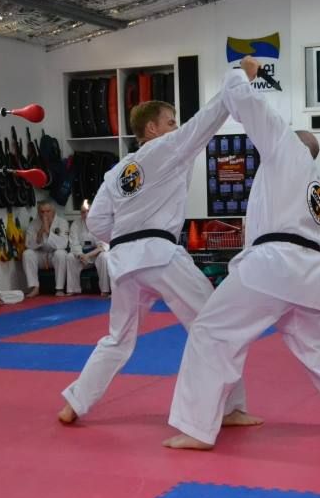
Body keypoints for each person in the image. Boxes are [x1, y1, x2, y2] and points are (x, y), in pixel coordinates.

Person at [163, 58, 320, 450]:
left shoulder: (285, 146)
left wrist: (242, 74)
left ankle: (197, 428)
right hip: (309, 274)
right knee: (318, 349)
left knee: (209, 332)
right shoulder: (315, 187)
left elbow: (245, 102)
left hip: (273, 266)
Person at [57, 86, 251, 427]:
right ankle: (230, 408)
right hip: (160, 255)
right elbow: (204, 123)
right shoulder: (164, 149)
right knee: (213, 324)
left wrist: (125, 241)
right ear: (153, 129)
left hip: (125, 262)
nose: (176, 128)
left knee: (118, 338)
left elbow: (98, 222)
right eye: (171, 122)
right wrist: (236, 82)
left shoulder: (116, 173)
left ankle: (74, 403)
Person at [63, 200, 110, 297]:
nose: (86, 214)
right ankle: (73, 289)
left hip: (96, 255)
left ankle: (105, 290)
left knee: (104, 257)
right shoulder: (76, 224)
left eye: (88, 211)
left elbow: (102, 246)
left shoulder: (100, 224)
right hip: (82, 256)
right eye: (83, 212)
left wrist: (88, 255)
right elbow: (74, 244)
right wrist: (81, 255)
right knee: (70, 257)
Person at [22, 201, 69, 297]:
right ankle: (35, 287)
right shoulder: (33, 224)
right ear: (38, 212)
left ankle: (59, 288)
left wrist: (48, 231)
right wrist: (40, 233)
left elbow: (63, 244)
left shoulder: (62, 222)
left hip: (54, 255)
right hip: (41, 256)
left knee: (61, 253)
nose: (45, 214)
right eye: (42, 212)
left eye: (48, 211)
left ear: (53, 212)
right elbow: (28, 244)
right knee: (27, 253)